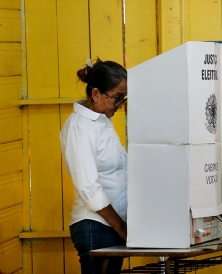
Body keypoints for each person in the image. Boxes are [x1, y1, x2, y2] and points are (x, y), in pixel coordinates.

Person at [60, 58, 128, 274]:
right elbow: (90, 189)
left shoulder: (102, 120)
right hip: (95, 225)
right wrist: (122, 228)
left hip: (111, 225)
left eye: (123, 99)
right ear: (96, 93)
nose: (119, 105)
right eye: (116, 98)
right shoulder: (79, 128)